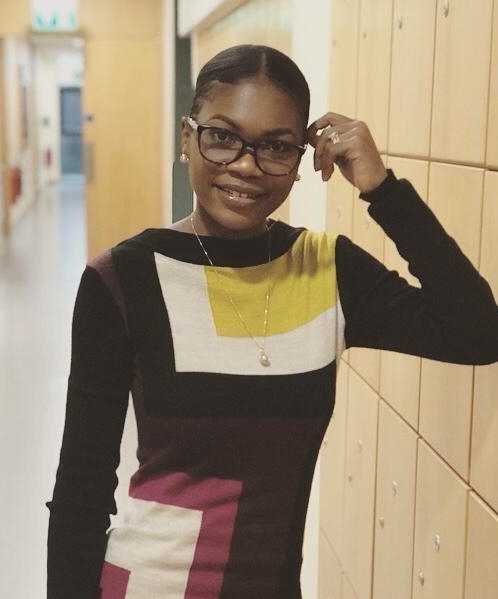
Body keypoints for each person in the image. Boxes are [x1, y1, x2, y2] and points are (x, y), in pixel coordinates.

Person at [46, 44, 498, 599]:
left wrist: (382, 190)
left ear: (302, 158)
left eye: (276, 147)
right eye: (222, 137)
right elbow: (82, 489)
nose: (245, 165)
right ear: (187, 137)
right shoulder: (122, 278)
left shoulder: (326, 270)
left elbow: (476, 332)